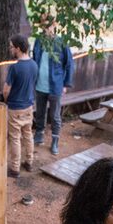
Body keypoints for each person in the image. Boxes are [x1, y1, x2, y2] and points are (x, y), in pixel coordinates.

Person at [33, 15, 74, 155]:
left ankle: (55, 140)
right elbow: (34, 60)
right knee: (40, 111)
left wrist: (65, 84)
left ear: (54, 26)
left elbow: (69, 64)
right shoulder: (38, 41)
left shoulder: (61, 43)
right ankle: (39, 133)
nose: (46, 29)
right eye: (43, 26)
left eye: (48, 26)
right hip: (39, 85)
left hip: (55, 85)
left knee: (55, 115)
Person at [3, 34, 39, 178]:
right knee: (28, 134)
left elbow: (6, 90)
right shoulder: (34, 64)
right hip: (29, 106)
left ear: (18, 48)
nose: (10, 49)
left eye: (12, 47)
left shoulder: (15, 68)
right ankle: (29, 162)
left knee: (15, 138)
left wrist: (5, 99)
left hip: (15, 108)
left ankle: (15, 169)